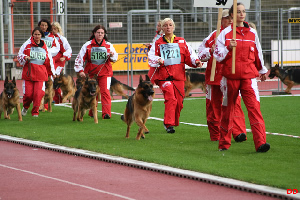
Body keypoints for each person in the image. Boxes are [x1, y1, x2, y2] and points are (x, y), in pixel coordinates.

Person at [213, 3, 270, 152]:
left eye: (243, 11)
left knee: (254, 109)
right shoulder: (225, 33)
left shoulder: (252, 32)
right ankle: (224, 144)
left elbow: (258, 52)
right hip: (230, 78)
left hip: (248, 77)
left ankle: (261, 143)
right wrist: (228, 48)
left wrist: (262, 69)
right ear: (232, 15)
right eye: (238, 12)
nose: (242, 14)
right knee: (228, 110)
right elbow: (217, 56)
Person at [198, 9, 247, 142]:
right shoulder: (214, 35)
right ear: (221, 19)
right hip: (215, 77)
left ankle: (238, 133)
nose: (230, 20)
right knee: (213, 106)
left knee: (234, 104)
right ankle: (216, 134)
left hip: (233, 76)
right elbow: (200, 54)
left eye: (232, 17)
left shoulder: (241, 34)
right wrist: (210, 50)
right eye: (227, 18)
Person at [148, 18, 202, 133]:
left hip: (178, 76)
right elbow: (151, 57)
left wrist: (196, 61)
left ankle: (173, 121)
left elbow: (190, 55)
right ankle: (168, 124)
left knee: (179, 102)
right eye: (165, 25)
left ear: (174, 27)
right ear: (162, 28)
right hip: (164, 77)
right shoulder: (157, 43)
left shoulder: (181, 41)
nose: (168, 27)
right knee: (171, 98)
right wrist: (158, 59)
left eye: (170, 25)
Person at [74, 25, 118, 119]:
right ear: (94, 33)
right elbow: (80, 58)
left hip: (105, 73)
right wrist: (80, 70)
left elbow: (115, 59)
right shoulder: (87, 45)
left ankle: (106, 113)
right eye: (98, 32)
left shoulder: (109, 45)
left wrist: (111, 55)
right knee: (92, 92)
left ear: (104, 34)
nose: (100, 34)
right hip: (91, 74)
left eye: (102, 33)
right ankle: (91, 112)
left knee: (105, 92)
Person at [17, 27, 56, 117]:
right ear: (32, 35)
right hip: (29, 73)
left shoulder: (45, 46)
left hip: (41, 74)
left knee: (38, 94)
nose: (37, 36)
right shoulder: (27, 44)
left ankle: (35, 112)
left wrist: (53, 73)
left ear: (41, 35)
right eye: (35, 34)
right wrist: (25, 57)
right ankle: (26, 107)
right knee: (28, 95)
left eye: (39, 34)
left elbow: (49, 60)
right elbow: (19, 55)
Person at [51, 21, 72, 103]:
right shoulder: (49, 38)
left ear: (58, 29)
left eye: (55, 29)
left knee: (55, 78)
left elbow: (68, 49)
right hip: (51, 61)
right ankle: (54, 98)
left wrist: (65, 57)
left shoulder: (62, 39)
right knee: (51, 79)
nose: (53, 30)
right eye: (52, 29)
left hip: (59, 61)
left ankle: (58, 98)